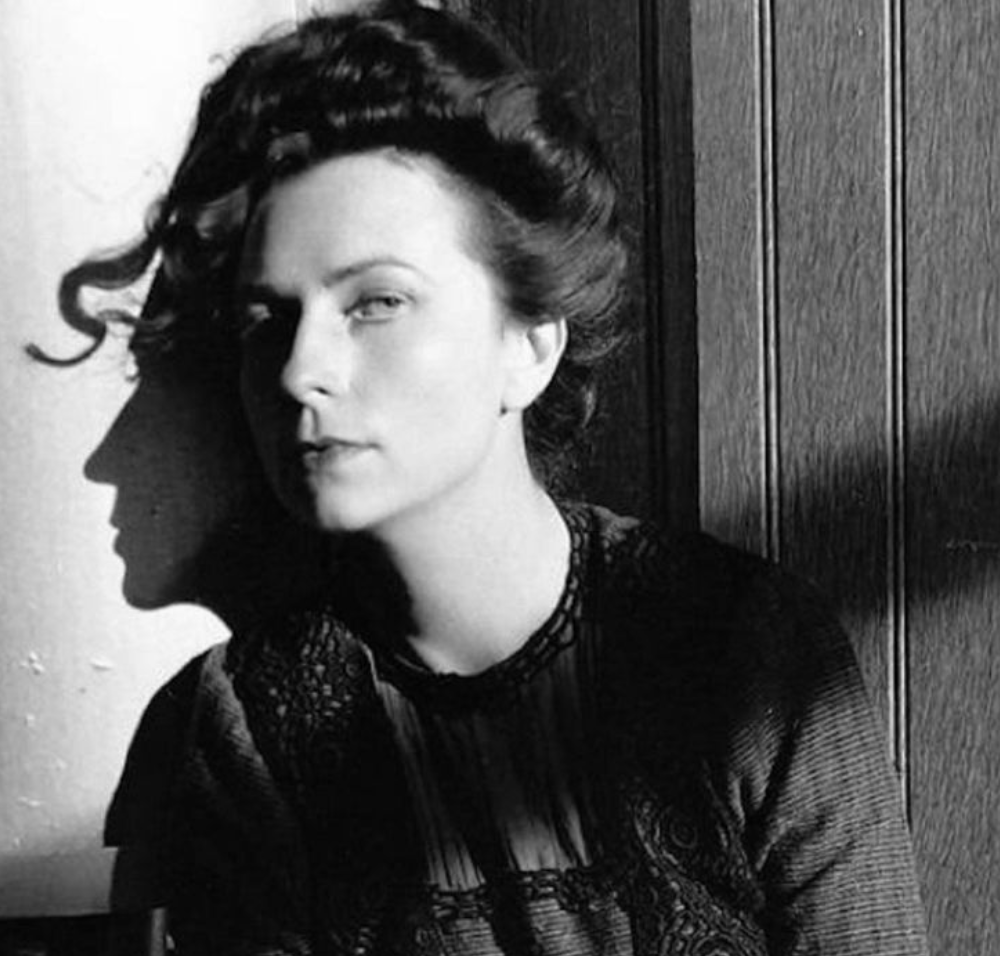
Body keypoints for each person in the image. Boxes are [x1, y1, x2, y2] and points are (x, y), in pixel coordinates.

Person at [87, 2, 928, 953]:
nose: (299, 369)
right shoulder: (249, 725)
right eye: (266, 321)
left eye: (376, 302)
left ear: (530, 345)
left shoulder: (743, 647)